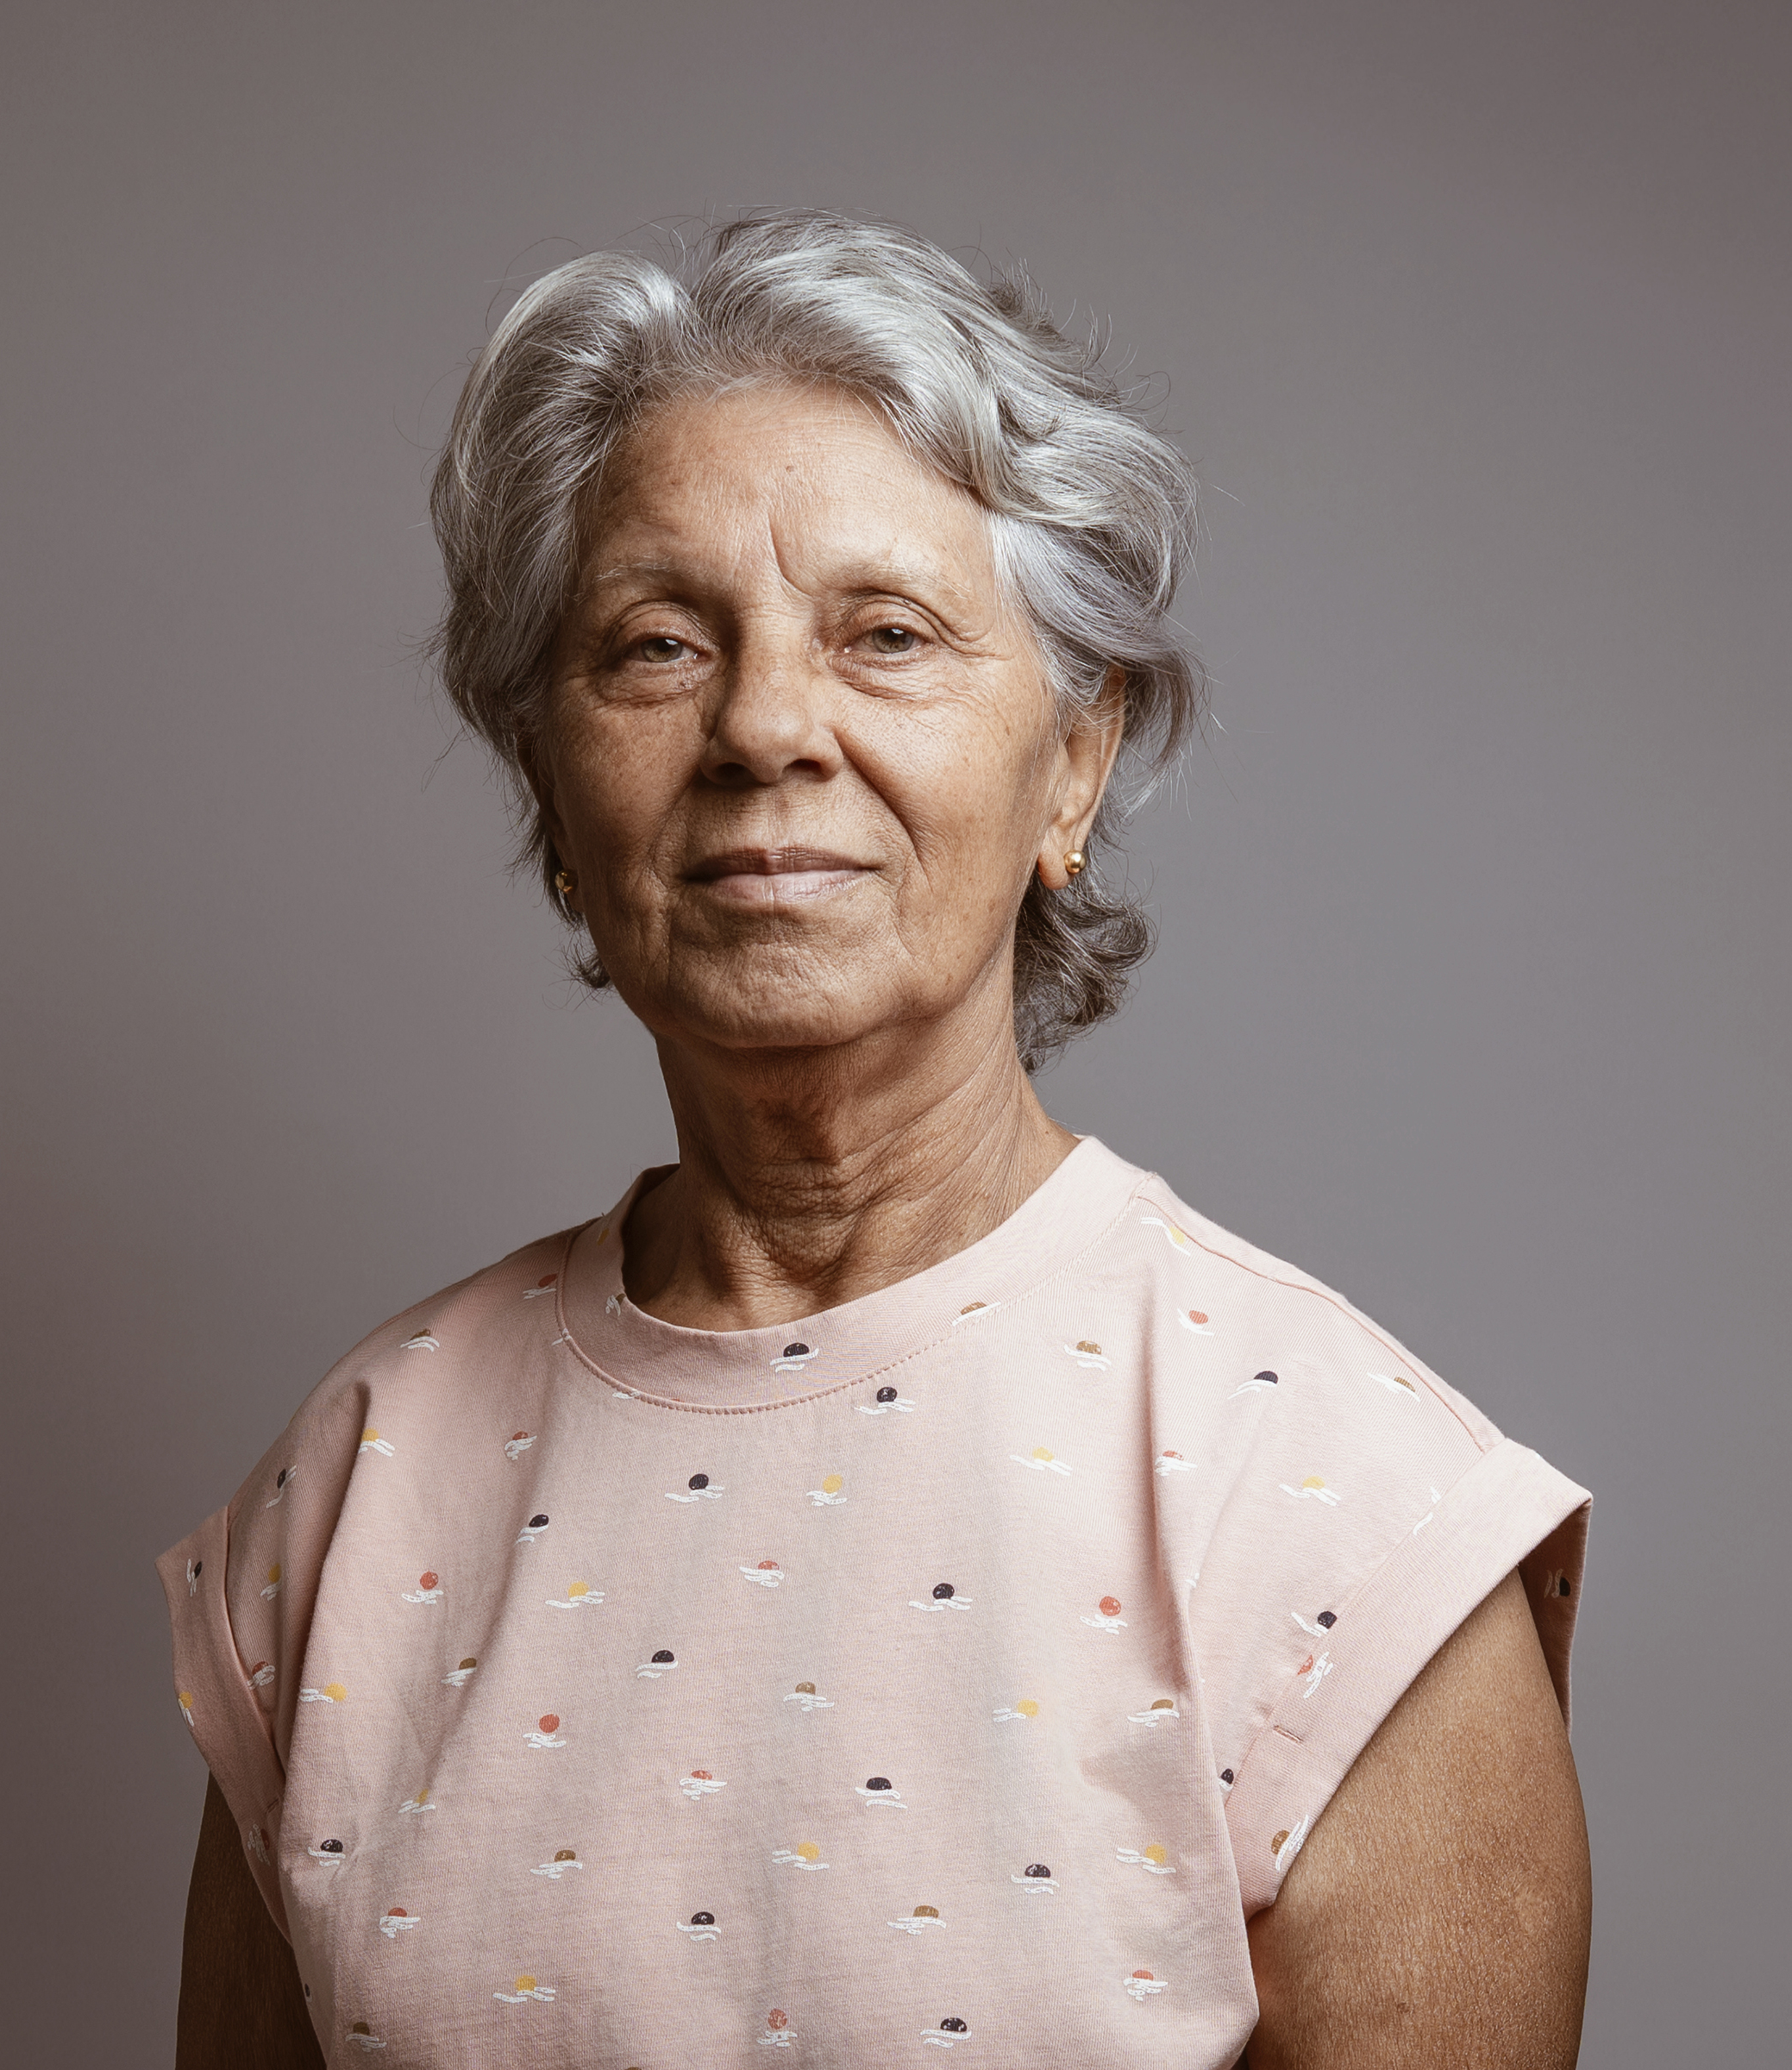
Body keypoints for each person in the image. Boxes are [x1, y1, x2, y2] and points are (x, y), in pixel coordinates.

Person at [160, 211, 1591, 2069]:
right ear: (554, 788)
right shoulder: (349, 1499)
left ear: (1075, 761)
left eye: (886, 636)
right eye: (658, 645)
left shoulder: (1352, 1528)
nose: (766, 726)